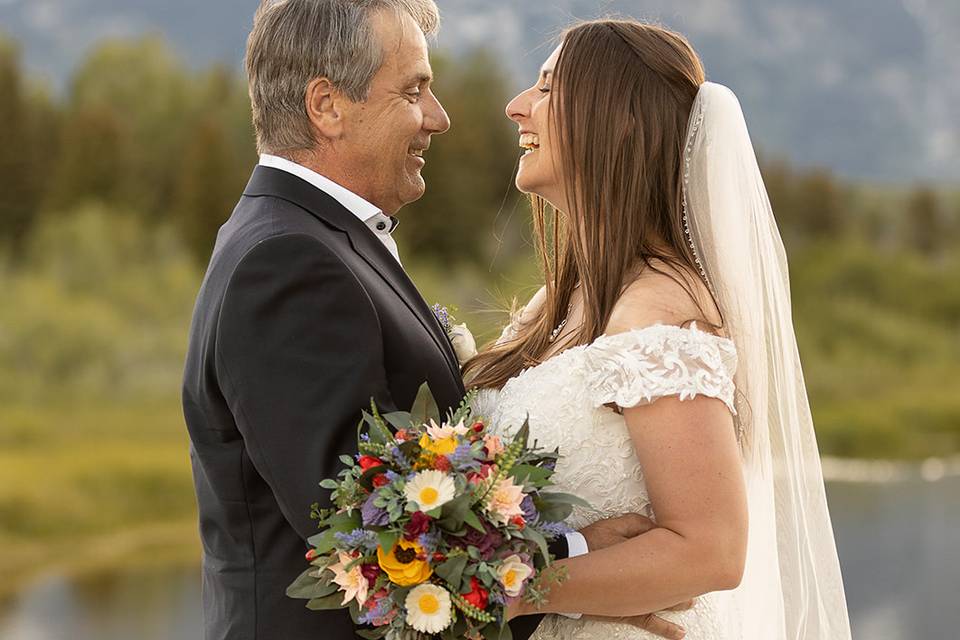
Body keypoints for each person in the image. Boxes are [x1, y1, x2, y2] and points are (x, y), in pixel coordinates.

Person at [182, 3, 664, 639]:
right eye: (414, 91)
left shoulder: (311, 240)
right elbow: (367, 533)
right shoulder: (288, 261)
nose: (439, 118)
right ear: (327, 106)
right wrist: (575, 556)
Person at [466, 18, 853, 640]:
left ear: (618, 119)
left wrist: (510, 590)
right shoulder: (561, 301)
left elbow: (711, 551)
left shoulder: (662, 314)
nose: (517, 108)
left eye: (545, 88)